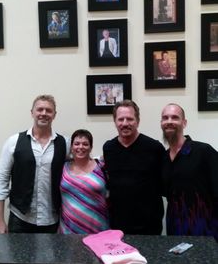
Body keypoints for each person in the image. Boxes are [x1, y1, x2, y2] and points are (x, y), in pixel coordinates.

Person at [0, 94, 67, 234]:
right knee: (18, 257)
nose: (44, 113)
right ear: (32, 112)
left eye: (48, 110)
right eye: (40, 109)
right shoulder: (13, 142)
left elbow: (81, 162)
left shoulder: (64, 144)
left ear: (54, 115)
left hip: (52, 220)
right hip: (20, 219)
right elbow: (0, 181)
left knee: (51, 257)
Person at [103, 100, 165, 234]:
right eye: (121, 119)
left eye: (130, 119)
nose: (125, 123)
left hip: (149, 225)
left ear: (138, 120)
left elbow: (163, 183)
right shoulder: (108, 148)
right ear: (115, 121)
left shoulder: (154, 148)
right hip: (118, 223)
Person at [161, 103, 218, 240]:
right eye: (165, 118)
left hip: (206, 232)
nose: (169, 121)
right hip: (175, 231)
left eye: (175, 117)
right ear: (161, 123)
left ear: (184, 122)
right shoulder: (163, 157)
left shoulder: (204, 152)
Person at [59, 129, 109, 234]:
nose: (80, 147)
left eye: (85, 144)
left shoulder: (101, 166)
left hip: (98, 229)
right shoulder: (63, 167)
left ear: (91, 147)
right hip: (69, 230)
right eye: (76, 144)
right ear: (71, 147)